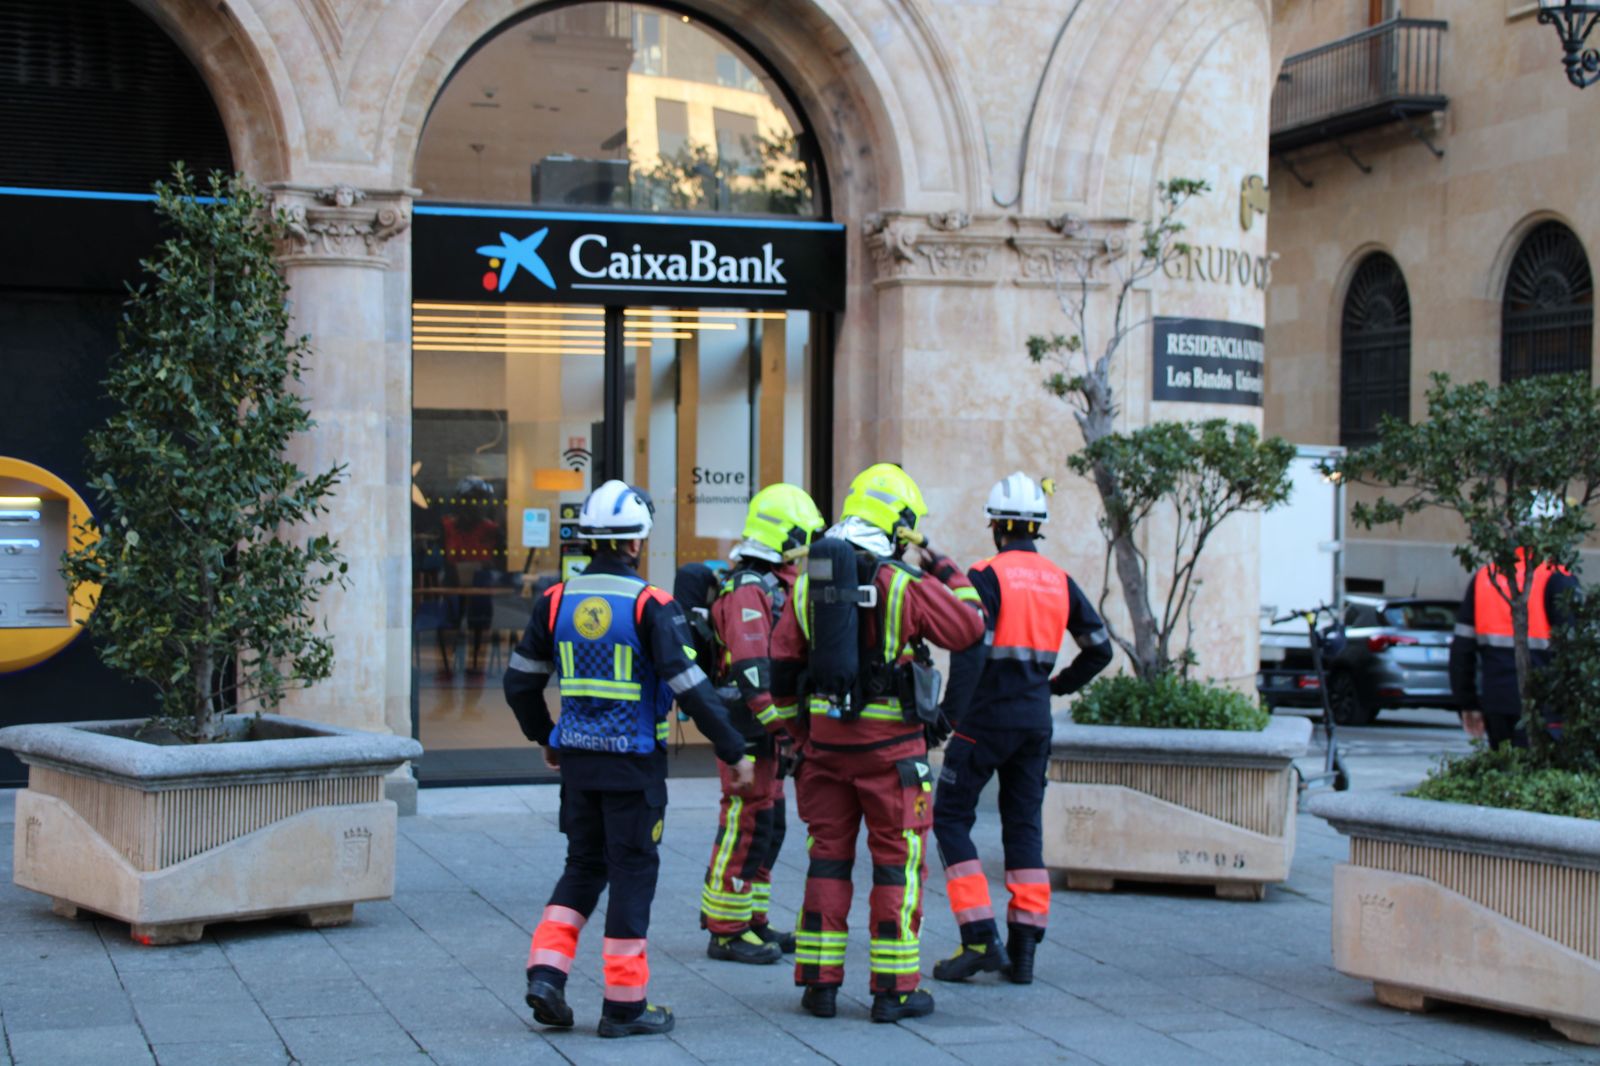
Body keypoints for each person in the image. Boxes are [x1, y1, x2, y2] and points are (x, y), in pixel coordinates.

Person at [503, 479, 754, 1039]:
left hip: (579, 766)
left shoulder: (554, 601)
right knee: (632, 875)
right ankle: (624, 1004)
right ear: (636, 543)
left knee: (583, 868)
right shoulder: (651, 605)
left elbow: (518, 685)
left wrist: (547, 735)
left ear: (589, 540)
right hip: (634, 769)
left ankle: (546, 974)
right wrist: (734, 748)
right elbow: (691, 688)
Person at [770, 463, 985, 1023]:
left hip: (824, 753)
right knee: (896, 867)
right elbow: (969, 628)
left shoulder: (809, 583)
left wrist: (801, 737)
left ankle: (819, 984)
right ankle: (895, 990)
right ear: (900, 525)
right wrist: (940, 561)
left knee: (826, 862)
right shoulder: (903, 584)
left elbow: (783, 668)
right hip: (892, 756)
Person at [931, 472, 1112, 986]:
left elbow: (970, 651)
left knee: (949, 820)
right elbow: (1099, 648)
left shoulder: (984, 575)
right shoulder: (1059, 579)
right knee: (1023, 827)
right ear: (1038, 528)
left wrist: (949, 714)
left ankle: (979, 938)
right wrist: (1056, 687)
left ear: (996, 527)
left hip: (984, 721)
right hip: (1035, 722)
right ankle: (1024, 947)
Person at [700, 484, 826, 964]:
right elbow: (753, 674)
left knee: (767, 823)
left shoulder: (771, 583)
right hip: (746, 727)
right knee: (745, 821)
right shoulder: (748, 588)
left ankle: (752, 919)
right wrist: (783, 732)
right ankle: (726, 931)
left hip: (764, 727)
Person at [1450, 548, 1578, 749]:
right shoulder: (1556, 577)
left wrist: (1467, 702)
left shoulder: (1486, 576)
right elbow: (1574, 650)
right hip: (1543, 704)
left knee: (1505, 770)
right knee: (1540, 773)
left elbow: (1462, 649)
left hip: (1497, 701)